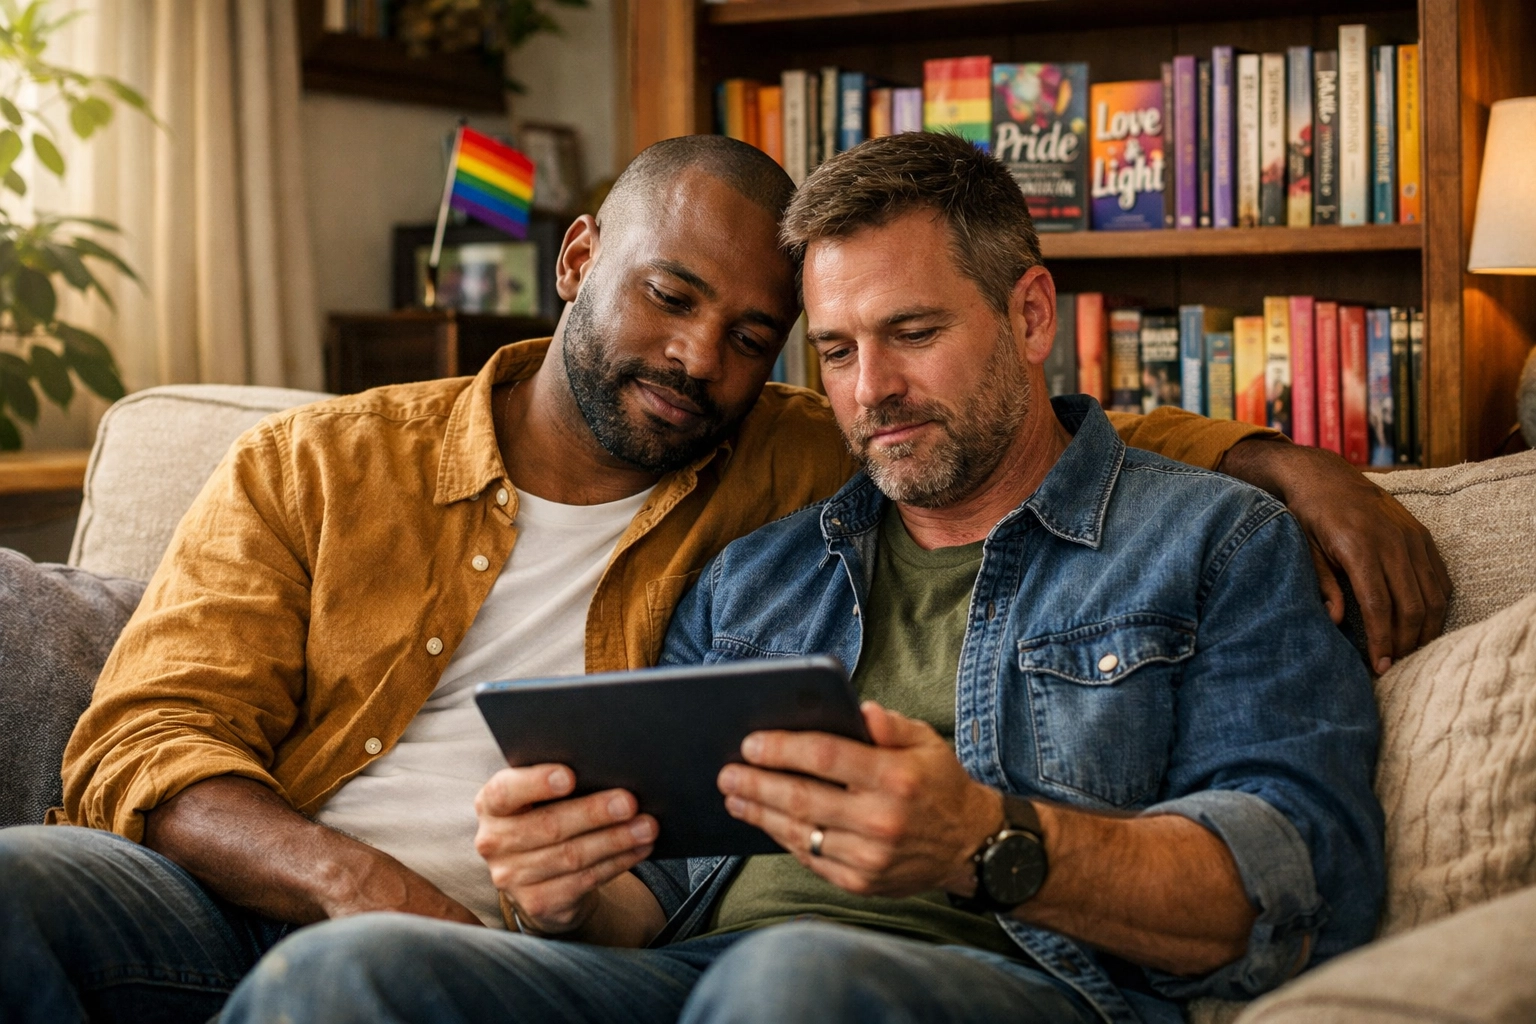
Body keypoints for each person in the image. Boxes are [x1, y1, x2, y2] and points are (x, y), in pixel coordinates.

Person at [1, 136, 1435, 1023]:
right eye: (837, 352)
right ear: (580, 260)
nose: (871, 391)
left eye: (910, 334)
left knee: (787, 978)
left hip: (987, 980)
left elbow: (1304, 875)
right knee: (329, 968)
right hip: (569, 960)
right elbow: (655, 897)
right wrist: (558, 891)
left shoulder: (1208, 542)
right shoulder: (764, 566)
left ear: (1032, 314)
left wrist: (989, 840)